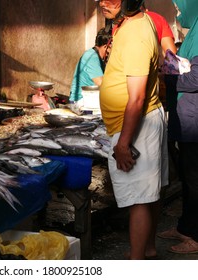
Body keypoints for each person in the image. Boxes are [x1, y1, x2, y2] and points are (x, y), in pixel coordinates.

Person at [98, 0, 169, 259]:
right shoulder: (132, 23)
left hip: (136, 123)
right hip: (141, 119)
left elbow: (137, 98)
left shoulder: (137, 34)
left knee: (139, 198)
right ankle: (148, 249)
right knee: (149, 192)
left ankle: (136, 261)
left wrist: (123, 143)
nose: (103, 3)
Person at [157, 0, 198, 254]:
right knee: (187, 177)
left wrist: (171, 74)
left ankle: (196, 236)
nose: (179, 12)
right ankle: (185, 227)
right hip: (187, 115)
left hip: (195, 119)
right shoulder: (193, 30)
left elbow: (196, 77)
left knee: (195, 180)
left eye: (181, 6)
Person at [69, 28, 112, 103]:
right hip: (80, 100)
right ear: (106, 46)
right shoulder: (92, 57)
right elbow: (101, 83)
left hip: (89, 98)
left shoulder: (99, 58)